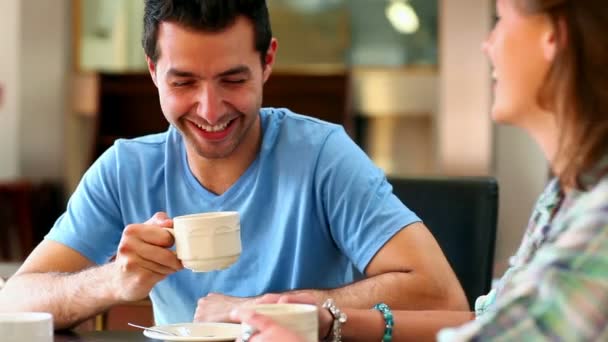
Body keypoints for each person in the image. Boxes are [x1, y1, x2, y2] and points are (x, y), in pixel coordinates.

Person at [0, 0, 468, 329]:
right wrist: (114, 280)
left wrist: (278, 310)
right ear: (153, 72)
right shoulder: (126, 169)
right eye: (183, 82)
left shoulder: (322, 155)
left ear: (267, 62)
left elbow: (442, 294)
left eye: (232, 79)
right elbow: (14, 301)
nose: (209, 109)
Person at [231, 0, 608, 340]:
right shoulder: (563, 196)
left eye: (500, 20)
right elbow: (489, 319)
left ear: (551, 38)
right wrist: (330, 320)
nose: (487, 44)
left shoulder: (600, 219)